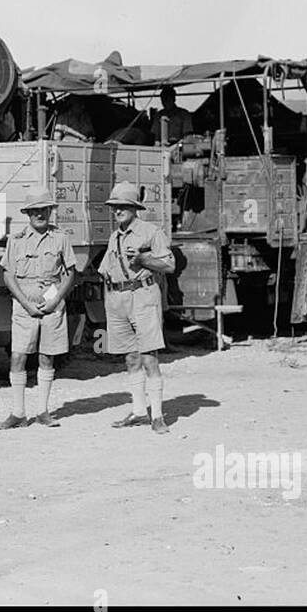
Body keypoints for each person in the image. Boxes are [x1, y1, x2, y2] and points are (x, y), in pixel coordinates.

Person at [97, 182, 177, 434]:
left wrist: (144, 259)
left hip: (143, 296)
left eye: (123, 206)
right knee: (130, 357)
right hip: (118, 299)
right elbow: (105, 268)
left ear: (134, 208)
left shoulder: (151, 232)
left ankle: (158, 416)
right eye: (114, 207)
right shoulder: (114, 236)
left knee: (149, 357)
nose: (117, 211)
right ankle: (139, 411)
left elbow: (169, 266)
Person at [0, 189, 78, 430]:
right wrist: (25, 302)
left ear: (50, 211)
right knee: (18, 356)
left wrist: (54, 301)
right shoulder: (16, 240)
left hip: (51, 305)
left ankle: (43, 411)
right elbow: (8, 275)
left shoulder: (60, 238)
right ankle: (18, 413)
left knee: (47, 356)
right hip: (24, 306)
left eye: (44, 209)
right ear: (28, 214)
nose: (39, 214)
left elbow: (70, 273)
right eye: (35, 210)